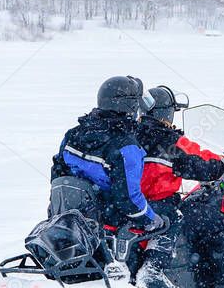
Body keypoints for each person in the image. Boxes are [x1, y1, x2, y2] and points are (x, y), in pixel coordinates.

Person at [134, 85, 224, 288]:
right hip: (160, 206)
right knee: (213, 222)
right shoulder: (171, 142)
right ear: (166, 113)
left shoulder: (130, 136)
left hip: (131, 205)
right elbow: (203, 162)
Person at [49, 76, 165, 235]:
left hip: (72, 216)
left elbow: (58, 173)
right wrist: (151, 219)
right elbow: (128, 200)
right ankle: (152, 260)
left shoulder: (73, 134)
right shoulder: (126, 147)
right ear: (129, 106)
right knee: (167, 222)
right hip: (107, 221)